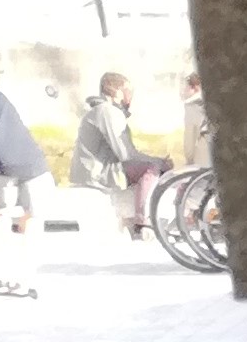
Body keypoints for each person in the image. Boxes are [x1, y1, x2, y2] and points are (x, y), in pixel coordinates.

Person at [70, 68, 171, 234]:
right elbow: (126, 155)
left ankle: (134, 218)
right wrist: (158, 162)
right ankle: (141, 221)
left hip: (93, 170)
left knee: (151, 165)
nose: (130, 96)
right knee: (151, 169)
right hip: (99, 173)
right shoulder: (108, 111)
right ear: (116, 91)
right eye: (127, 91)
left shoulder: (100, 111)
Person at [0, 81, 46, 290]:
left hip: (0, 166)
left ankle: (3, 275)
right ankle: (28, 277)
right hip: (33, 164)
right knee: (32, 217)